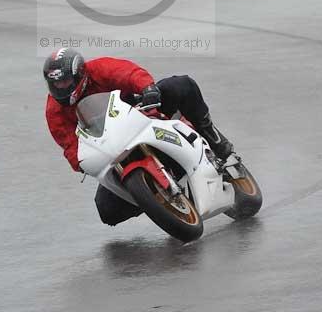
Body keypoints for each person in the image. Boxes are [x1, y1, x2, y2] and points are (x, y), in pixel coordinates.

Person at [43, 48, 239, 227]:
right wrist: (80, 162)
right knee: (107, 210)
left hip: (138, 113)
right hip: (111, 148)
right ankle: (157, 198)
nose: (61, 87)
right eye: (55, 83)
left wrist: (147, 88)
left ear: (79, 75)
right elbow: (70, 146)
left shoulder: (98, 69)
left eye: (65, 81)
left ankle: (214, 139)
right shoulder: (54, 110)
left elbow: (127, 72)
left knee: (181, 85)